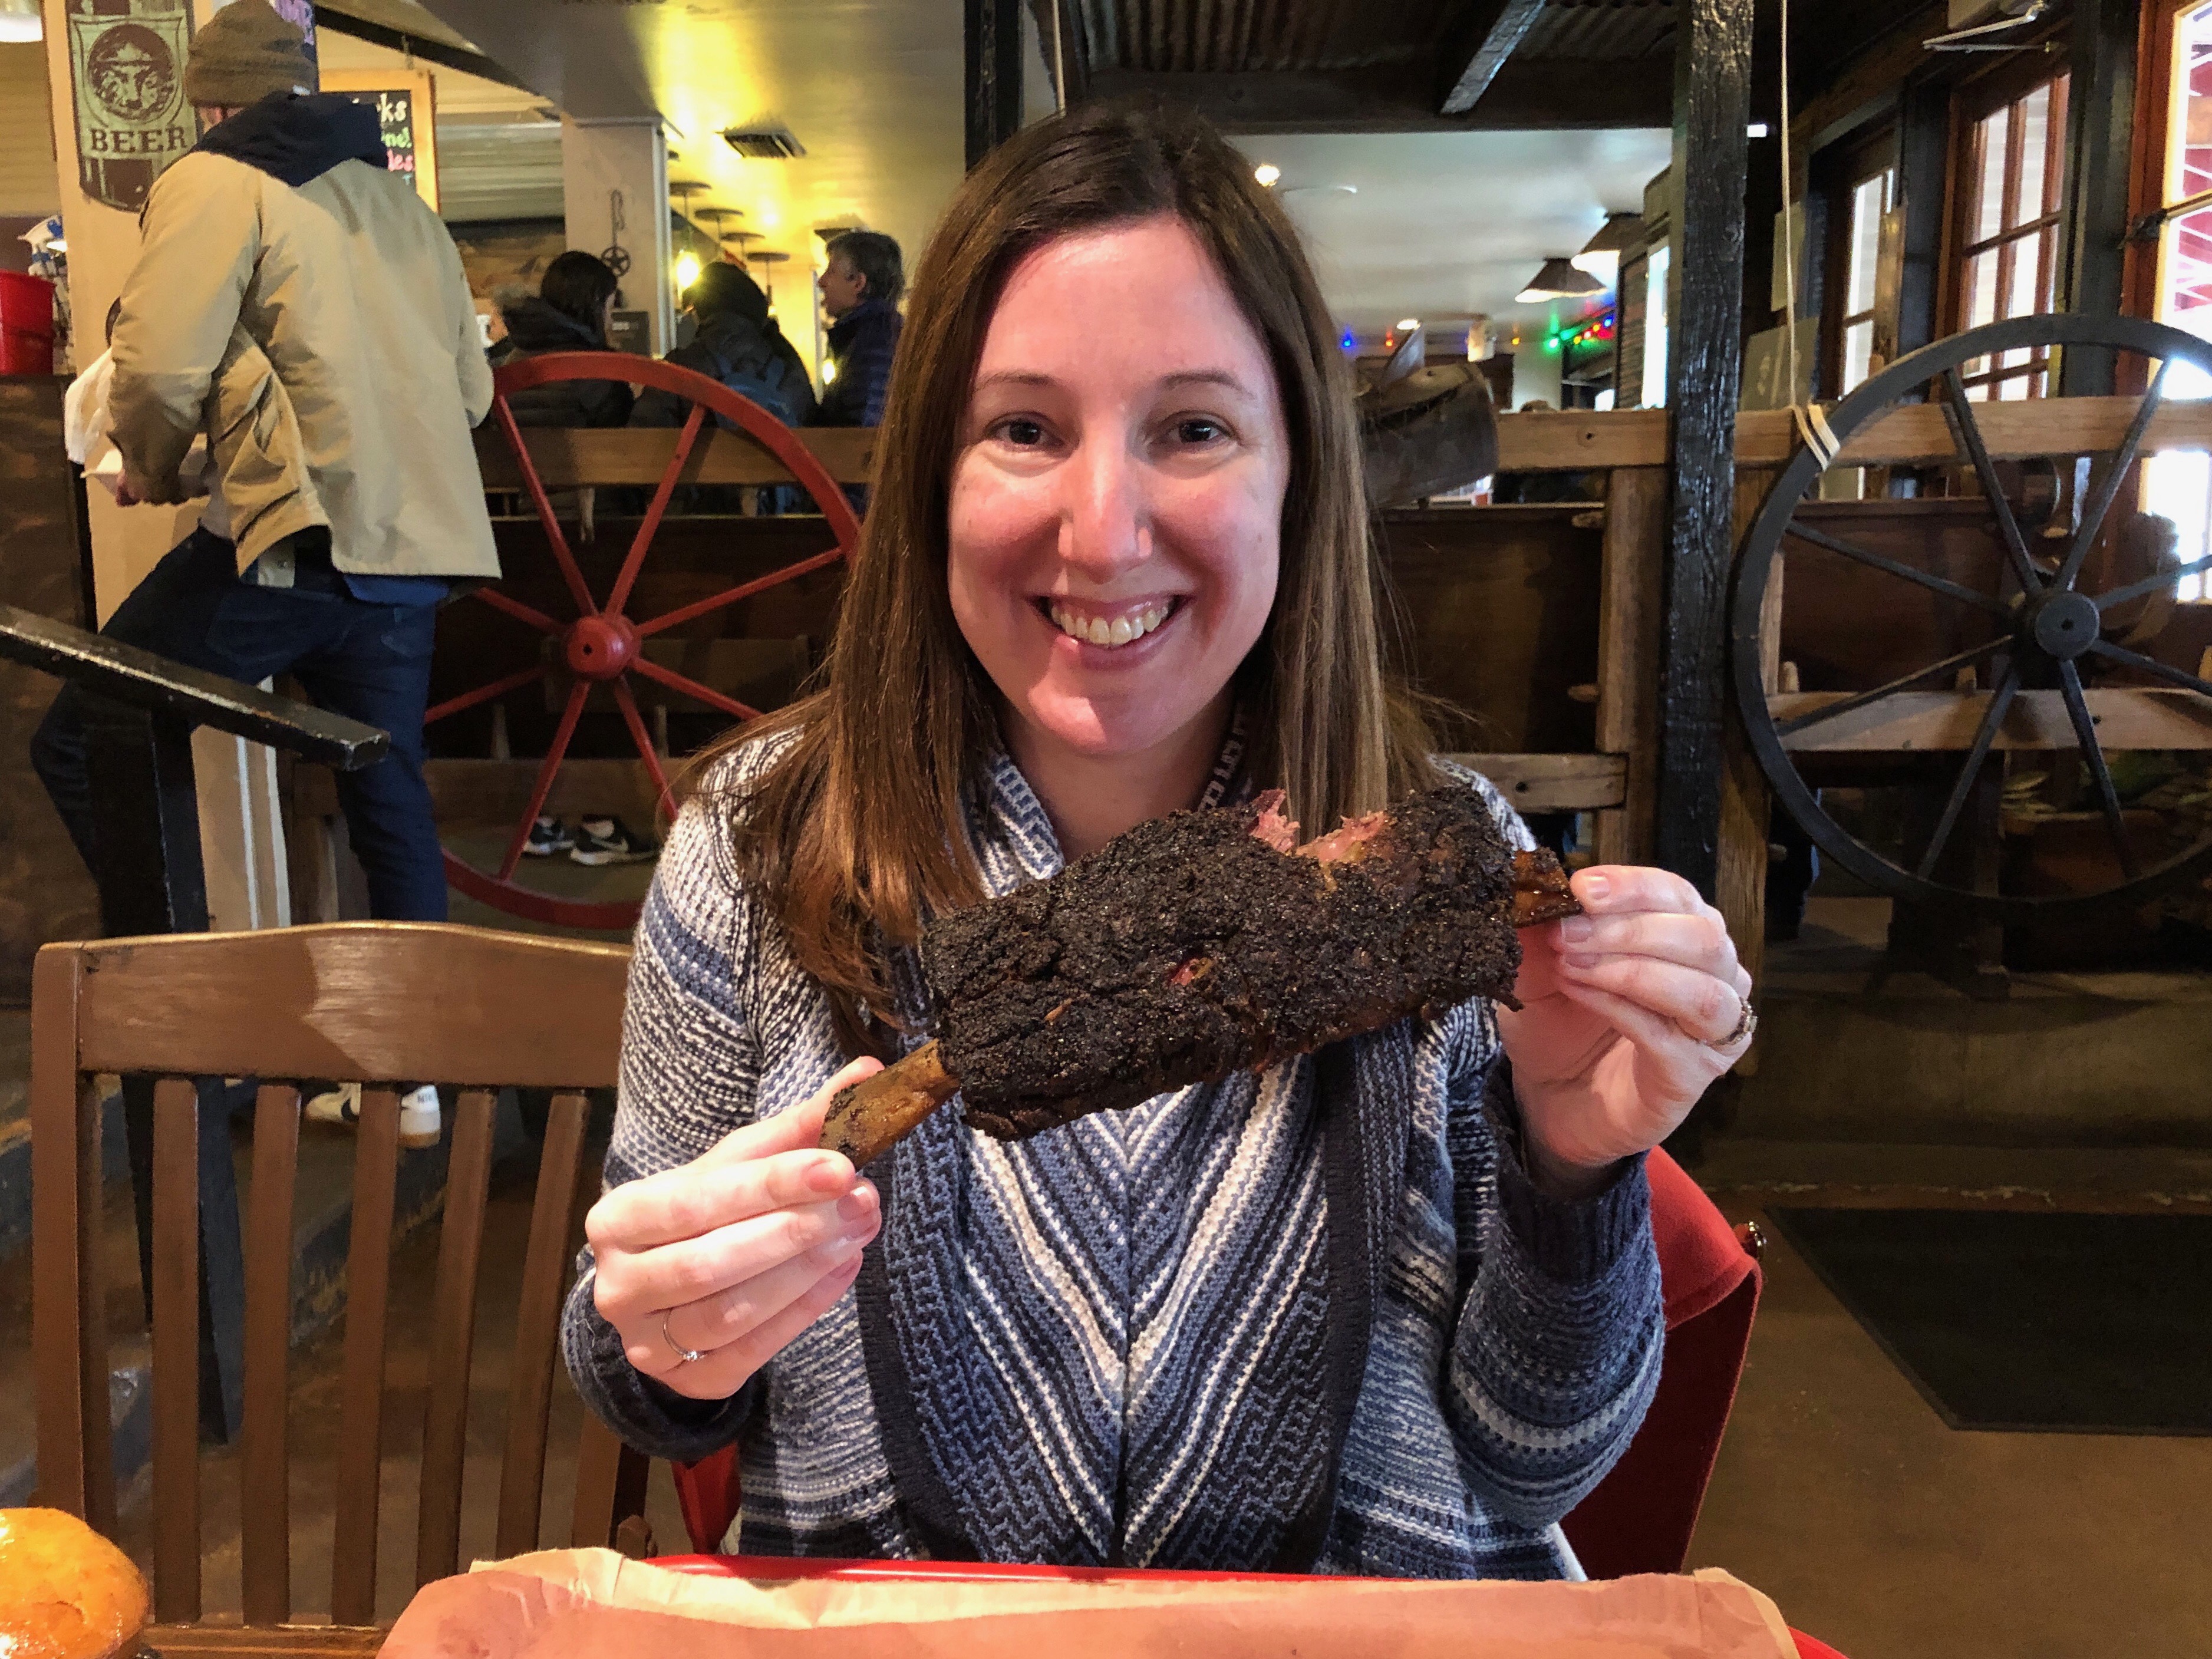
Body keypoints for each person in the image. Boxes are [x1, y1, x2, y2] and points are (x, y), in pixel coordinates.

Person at [561, 103, 1754, 1577]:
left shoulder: (1445, 872)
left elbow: (1534, 1466)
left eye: (1192, 428)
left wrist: (1574, 1159)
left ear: (1296, 475)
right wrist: (668, 1326)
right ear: (932, 471)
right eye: (1023, 429)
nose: (1105, 528)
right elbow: (642, 1387)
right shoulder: (755, 852)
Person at [29, 0, 498, 1151]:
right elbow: (475, 396)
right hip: (417, 550)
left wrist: (144, 463)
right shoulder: (404, 204)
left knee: (92, 736)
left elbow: (160, 360)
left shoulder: (211, 178)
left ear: (214, 98)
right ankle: (412, 1085)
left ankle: (201, 1034)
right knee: (387, 793)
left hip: (295, 540)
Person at [633, 260, 816, 430]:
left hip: (702, 466)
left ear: (702, 311)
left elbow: (643, 438)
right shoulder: (788, 363)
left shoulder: (680, 366)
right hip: (779, 466)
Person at [490, 249, 635, 428]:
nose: (610, 321)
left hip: (507, 457)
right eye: (610, 309)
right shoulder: (601, 373)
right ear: (596, 304)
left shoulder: (508, 358)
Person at [812, 228, 902, 428]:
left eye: (831, 271)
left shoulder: (876, 341)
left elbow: (865, 436)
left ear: (858, 283)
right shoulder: (879, 332)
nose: (822, 281)